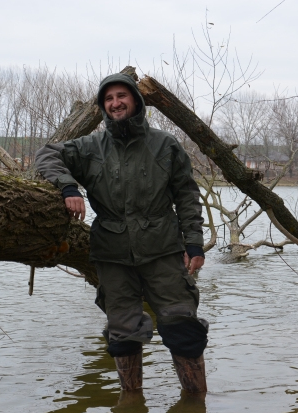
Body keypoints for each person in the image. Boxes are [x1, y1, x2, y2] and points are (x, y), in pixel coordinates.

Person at [35, 72, 209, 393]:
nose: (115, 103)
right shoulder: (91, 147)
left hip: (163, 250)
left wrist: (194, 244)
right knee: (123, 334)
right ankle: (130, 407)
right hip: (112, 254)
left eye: (122, 96)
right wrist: (68, 187)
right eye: (109, 99)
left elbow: (187, 196)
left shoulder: (165, 145)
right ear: (103, 106)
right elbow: (47, 154)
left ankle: (195, 404)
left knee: (183, 326)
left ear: (136, 100)